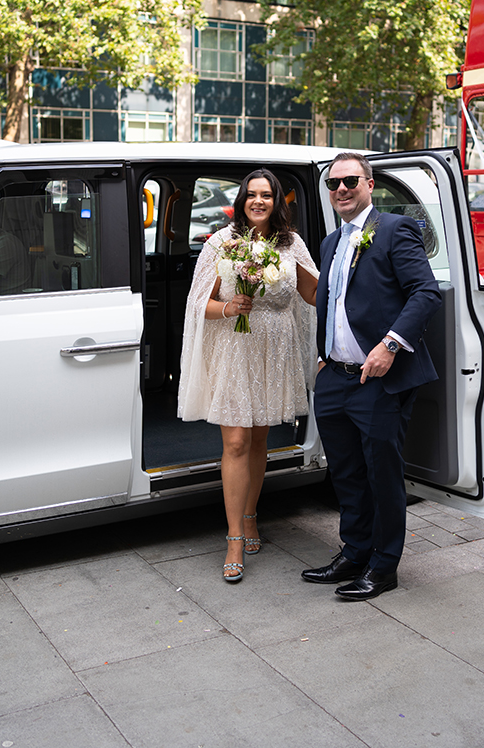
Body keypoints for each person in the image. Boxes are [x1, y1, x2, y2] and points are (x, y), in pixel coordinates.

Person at [302, 152, 442, 600]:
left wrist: (390, 345)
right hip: (335, 378)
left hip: (380, 378)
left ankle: (384, 567)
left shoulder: (395, 229)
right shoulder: (329, 243)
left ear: (369, 182)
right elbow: (335, 304)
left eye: (349, 181)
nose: (340, 189)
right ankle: (355, 551)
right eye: (333, 183)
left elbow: (426, 292)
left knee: (382, 475)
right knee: (345, 473)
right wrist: (325, 355)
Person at [178, 169, 319, 583]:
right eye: (251, 195)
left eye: (267, 196)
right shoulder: (221, 243)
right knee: (236, 439)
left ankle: (253, 515)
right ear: (241, 201)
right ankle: (235, 537)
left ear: (278, 202)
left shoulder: (292, 244)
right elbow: (196, 304)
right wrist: (229, 308)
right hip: (236, 346)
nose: (258, 202)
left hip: (275, 346)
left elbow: (312, 294)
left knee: (260, 437)